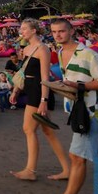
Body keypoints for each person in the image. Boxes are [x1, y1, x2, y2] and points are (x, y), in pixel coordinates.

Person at [41, 18, 98, 194]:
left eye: (61, 31)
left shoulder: (88, 54)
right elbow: (75, 80)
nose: (58, 35)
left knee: (76, 157)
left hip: (90, 114)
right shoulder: (60, 53)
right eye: (54, 32)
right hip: (81, 111)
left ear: (71, 32)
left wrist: (82, 87)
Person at [9, 18, 70, 181]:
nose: (21, 31)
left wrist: (44, 100)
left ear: (34, 30)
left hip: (38, 93)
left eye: (24, 29)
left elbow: (45, 77)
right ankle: (67, 168)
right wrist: (16, 90)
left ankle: (30, 170)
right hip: (30, 90)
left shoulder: (43, 49)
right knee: (48, 132)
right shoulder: (27, 49)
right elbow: (23, 72)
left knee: (28, 129)